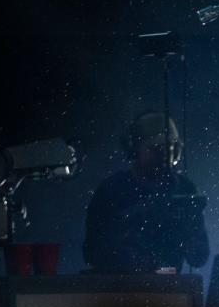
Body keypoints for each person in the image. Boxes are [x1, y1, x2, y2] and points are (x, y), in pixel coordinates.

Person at [83, 111, 209, 274]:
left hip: (169, 288)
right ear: (134, 149)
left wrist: (189, 235)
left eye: (168, 148)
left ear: (176, 150)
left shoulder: (184, 189)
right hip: (118, 286)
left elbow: (199, 257)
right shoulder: (112, 189)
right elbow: (91, 252)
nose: (163, 155)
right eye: (155, 149)